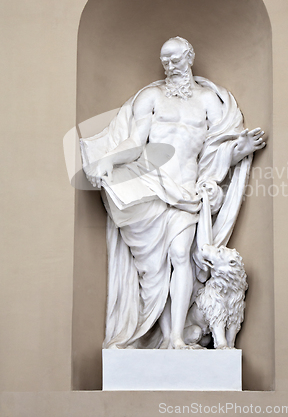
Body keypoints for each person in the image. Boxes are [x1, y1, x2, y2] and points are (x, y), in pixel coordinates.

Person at [80, 37, 265, 349]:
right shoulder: (151, 97)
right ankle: (158, 334)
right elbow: (135, 142)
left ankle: (177, 337)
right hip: (151, 185)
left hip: (186, 191)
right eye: (165, 60)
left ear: (189, 56)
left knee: (181, 256)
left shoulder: (208, 100)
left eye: (175, 59)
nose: (169, 66)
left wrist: (238, 151)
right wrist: (108, 161)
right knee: (153, 271)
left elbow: (215, 149)